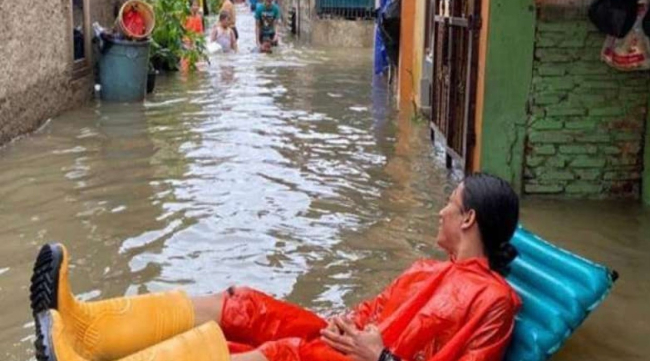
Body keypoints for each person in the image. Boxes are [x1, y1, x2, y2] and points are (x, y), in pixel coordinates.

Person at [31, 173, 521, 361]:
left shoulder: (493, 301)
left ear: (469, 218)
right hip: (350, 343)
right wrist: (344, 323)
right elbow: (376, 309)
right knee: (245, 306)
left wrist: (381, 357)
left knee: (280, 350)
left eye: (449, 204)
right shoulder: (426, 269)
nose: (440, 211)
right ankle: (86, 326)